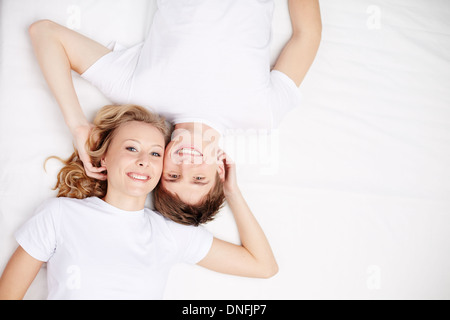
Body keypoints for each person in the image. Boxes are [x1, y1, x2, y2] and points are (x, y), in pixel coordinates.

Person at [28, 0, 322, 224]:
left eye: (172, 176)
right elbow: (306, 35)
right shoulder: (262, 116)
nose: (186, 166)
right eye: (198, 179)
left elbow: (45, 33)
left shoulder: (137, 95)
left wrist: (78, 125)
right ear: (220, 171)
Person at [0, 104, 278, 300]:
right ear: (103, 158)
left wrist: (232, 192)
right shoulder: (59, 215)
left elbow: (263, 266)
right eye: (131, 148)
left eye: (156, 154)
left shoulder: (169, 234)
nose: (143, 159)